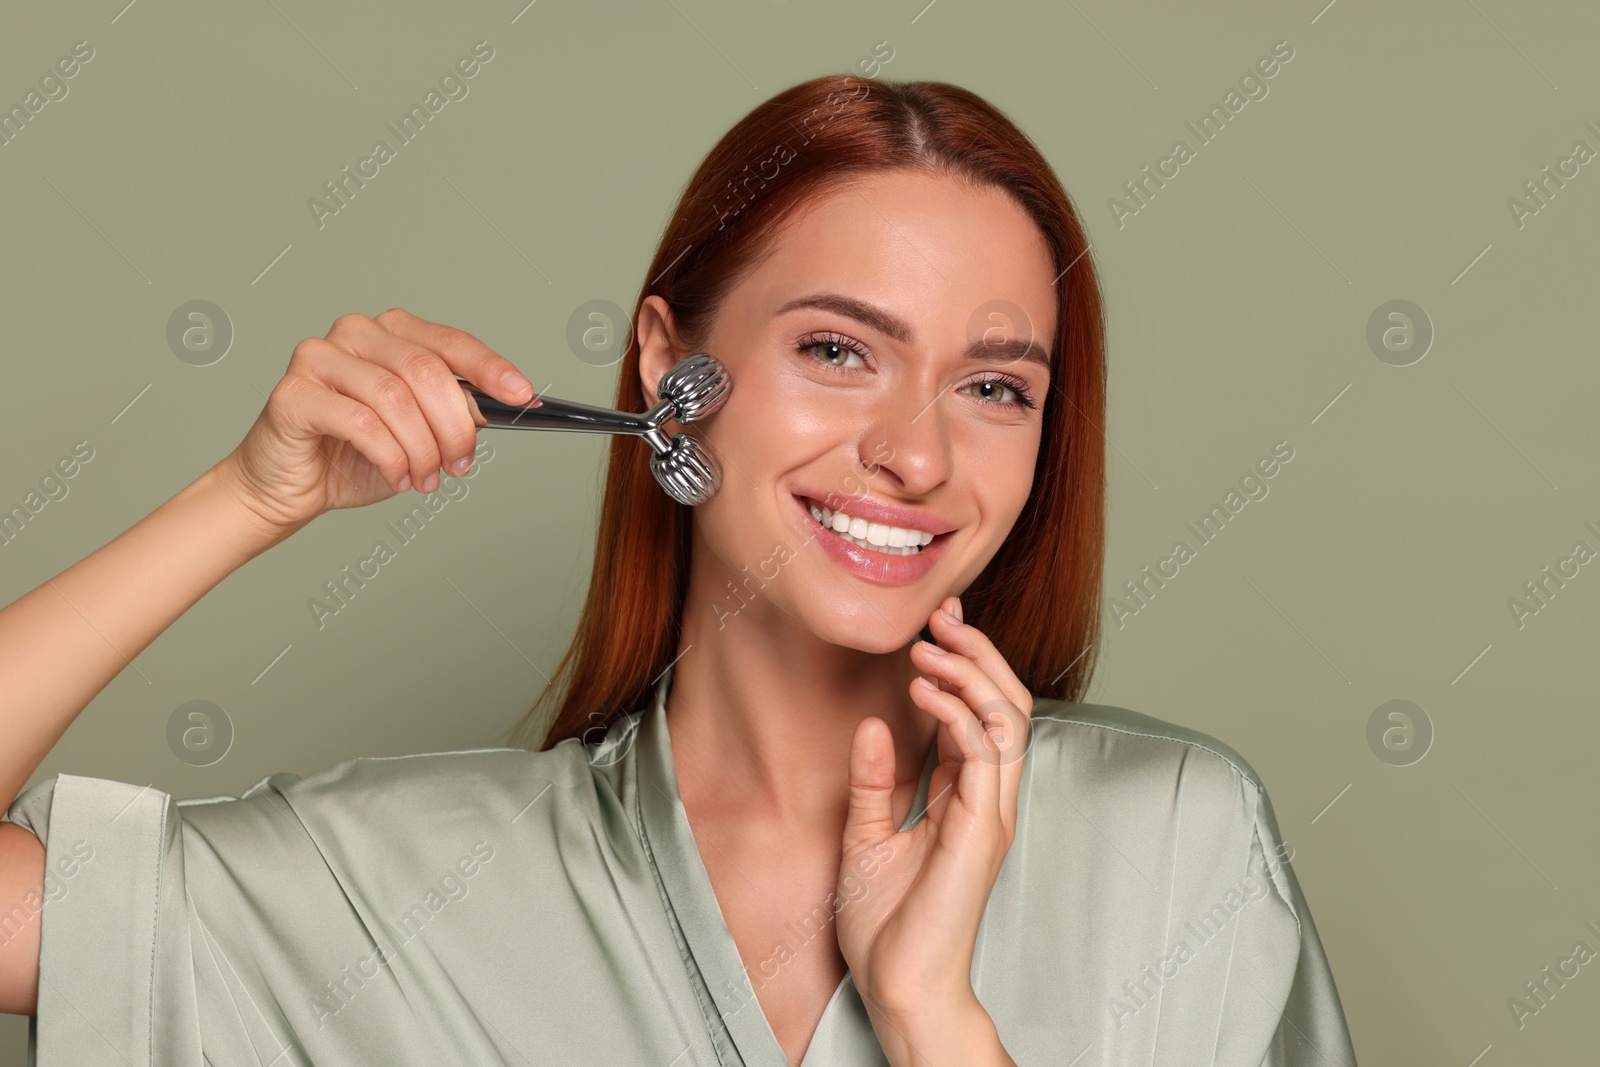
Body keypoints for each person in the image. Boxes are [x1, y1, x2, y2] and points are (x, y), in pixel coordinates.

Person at [0, 73, 1359, 1066]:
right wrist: (248, 498)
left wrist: (937, 1024)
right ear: (671, 367)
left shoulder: (1175, 843)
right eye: (838, 350)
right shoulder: (398, 881)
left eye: (996, 385)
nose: (916, 453)